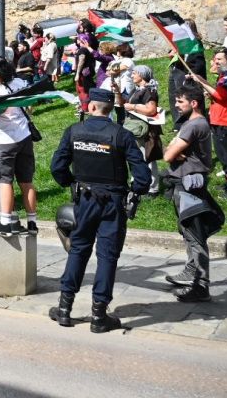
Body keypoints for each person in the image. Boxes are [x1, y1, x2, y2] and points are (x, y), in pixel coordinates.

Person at [48, 88, 150, 332]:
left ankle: (65, 308)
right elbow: (143, 176)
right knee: (107, 256)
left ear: (91, 107)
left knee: (78, 250)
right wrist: (135, 190)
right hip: (113, 201)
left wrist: (70, 182)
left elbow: (57, 167)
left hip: (84, 198)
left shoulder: (74, 131)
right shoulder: (121, 135)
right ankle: (99, 315)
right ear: (110, 110)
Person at [161, 83, 224, 303]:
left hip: (189, 187)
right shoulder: (194, 123)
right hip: (188, 184)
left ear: (194, 103)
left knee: (195, 236)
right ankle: (191, 271)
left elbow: (168, 155)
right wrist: (171, 150)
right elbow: (170, 151)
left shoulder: (192, 126)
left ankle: (201, 286)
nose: (176, 105)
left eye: (180, 101)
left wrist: (171, 151)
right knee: (189, 233)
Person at [0, 57, 39, 234]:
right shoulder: (20, 82)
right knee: (26, 181)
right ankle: (32, 222)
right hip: (24, 136)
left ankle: (6, 223)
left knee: (5, 181)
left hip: (4, 140)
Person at [187, 47, 227, 195]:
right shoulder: (224, 76)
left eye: (219, 59)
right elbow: (219, 95)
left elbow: (221, 96)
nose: (216, 62)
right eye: (215, 59)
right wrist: (205, 85)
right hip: (218, 119)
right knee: (221, 153)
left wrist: (201, 81)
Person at [120, 65, 163, 195]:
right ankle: (138, 183)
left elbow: (151, 110)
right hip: (135, 129)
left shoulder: (149, 91)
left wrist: (133, 106)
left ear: (142, 75)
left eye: (134, 73)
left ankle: (152, 188)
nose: (132, 75)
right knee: (137, 157)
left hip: (145, 131)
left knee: (147, 158)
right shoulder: (137, 89)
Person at [168, 19, 207, 124]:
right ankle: (180, 122)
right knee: (179, 98)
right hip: (181, 72)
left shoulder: (195, 43)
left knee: (194, 99)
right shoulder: (182, 42)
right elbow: (179, 57)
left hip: (191, 76)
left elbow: (199, 62)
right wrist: (174, 54)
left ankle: (199, 121)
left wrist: (191, 74)